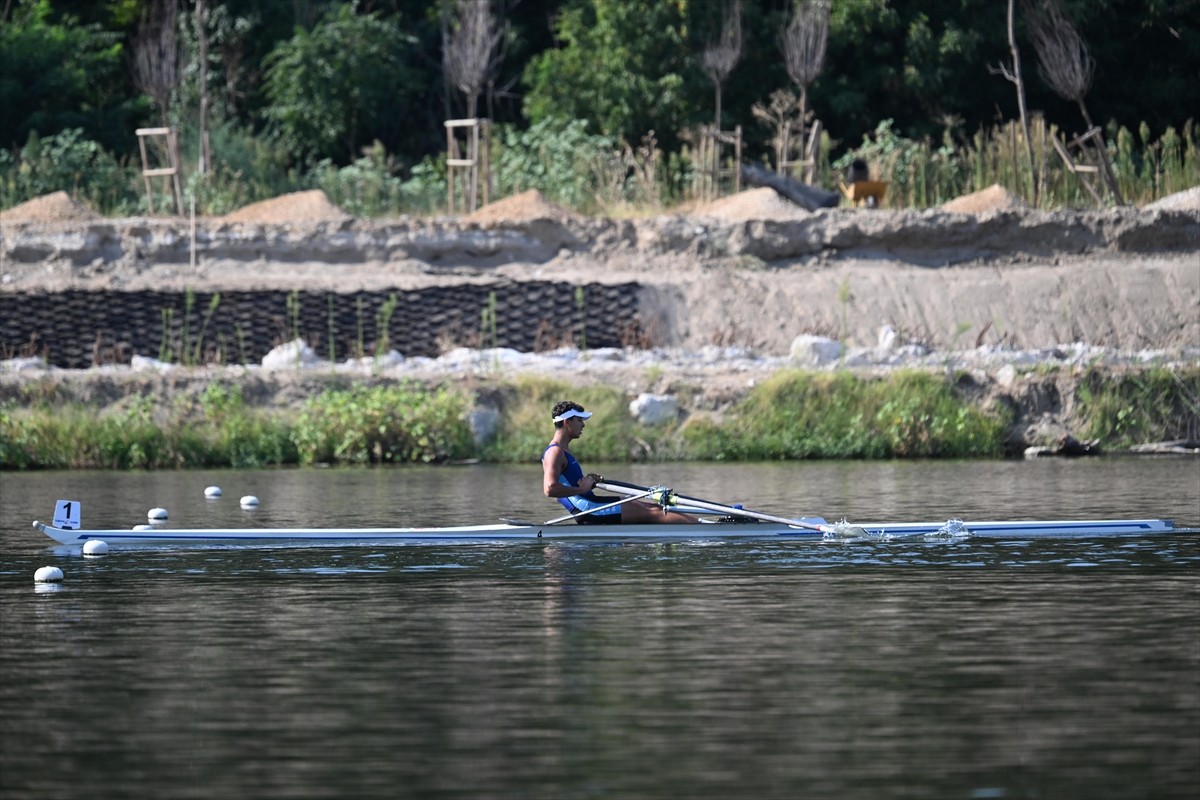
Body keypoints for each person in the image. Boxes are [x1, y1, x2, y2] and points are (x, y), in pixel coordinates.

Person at [542, 400, 698, 525]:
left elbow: (563, 488)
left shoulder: (563, 450)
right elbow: (550, 489)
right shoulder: (555, 452)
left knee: (655, 507)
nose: (583, 424)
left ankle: (703, 525)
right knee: (654, 513)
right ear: (567, 422)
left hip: (590, 504)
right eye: (579, 420)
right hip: (589, 510)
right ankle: (709, 529)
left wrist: (588, 482)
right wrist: (581, 488)